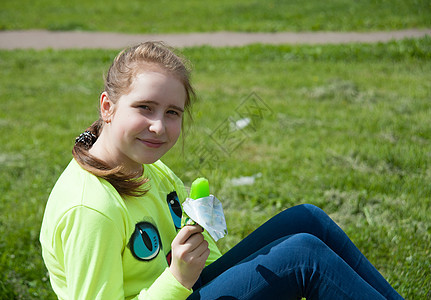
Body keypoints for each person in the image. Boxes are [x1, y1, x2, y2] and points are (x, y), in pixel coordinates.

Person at [40, 41, 403, 300]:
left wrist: (208, 250)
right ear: (108, 106)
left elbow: (203, 257)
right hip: (175, 291)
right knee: (303, 257)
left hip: (185, 287)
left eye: (172, 112)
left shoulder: (148, 168)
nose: (159, 127)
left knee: (307, 220)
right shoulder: (90, 208)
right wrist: (177, 279)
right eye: (145, 107)